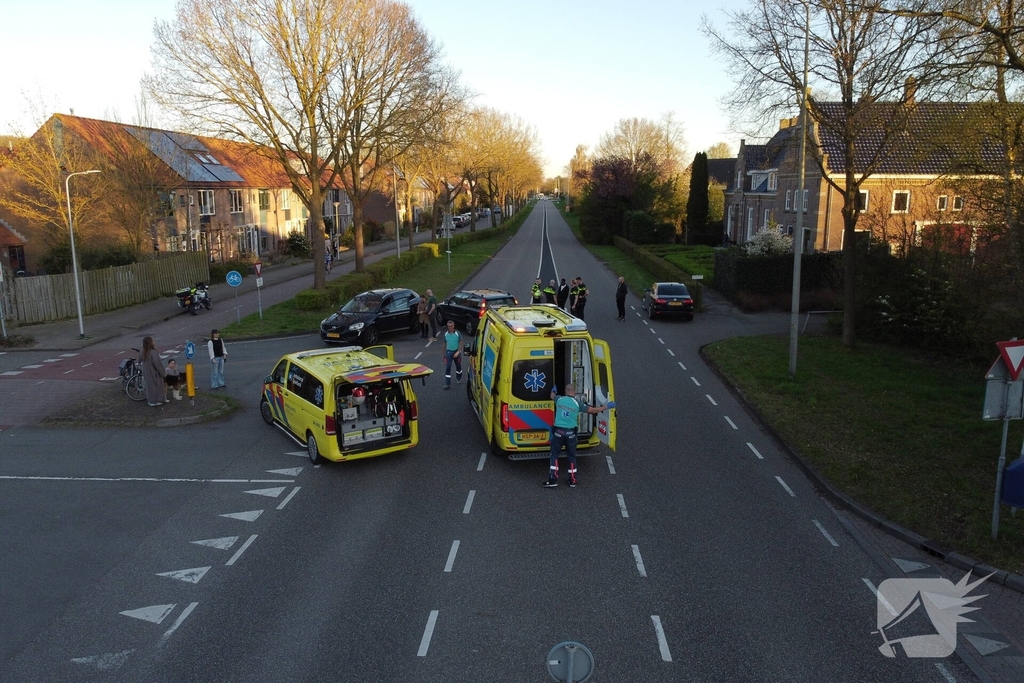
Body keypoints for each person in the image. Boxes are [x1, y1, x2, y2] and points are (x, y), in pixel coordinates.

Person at [543, 384, 615, 488]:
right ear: (574, 391)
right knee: (571, 457)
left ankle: (553, 479)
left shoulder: (559, 399)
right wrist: (606, 406)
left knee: (554, 455)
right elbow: (592, 411)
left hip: (558, 433)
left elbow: (552, 396)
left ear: (565, 391)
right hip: (571, 434)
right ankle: (572, 480)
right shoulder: (577, 404)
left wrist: (553, 390)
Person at [141, 336, 167, 407]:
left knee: (149, 387)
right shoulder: (153, 352)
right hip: (154, 373)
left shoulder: (142, 352)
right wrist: (163, 372)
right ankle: (158, 400)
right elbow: (157, 364)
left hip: (146, 373)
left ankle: (151, 401)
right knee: (157, 387)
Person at [441, 320, 462, 389]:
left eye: (451, 326)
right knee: (448, 367)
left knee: (458, 366)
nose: (450, 328)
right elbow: (444, 343)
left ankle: (459, 377)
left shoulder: (457, 333)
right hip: (448, 352)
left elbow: (461, 343)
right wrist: (443, 353)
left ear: (454, 326)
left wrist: (458, 352)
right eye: (448, 326)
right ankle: (448, 384)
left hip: (456, 352)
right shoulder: (446, 334)